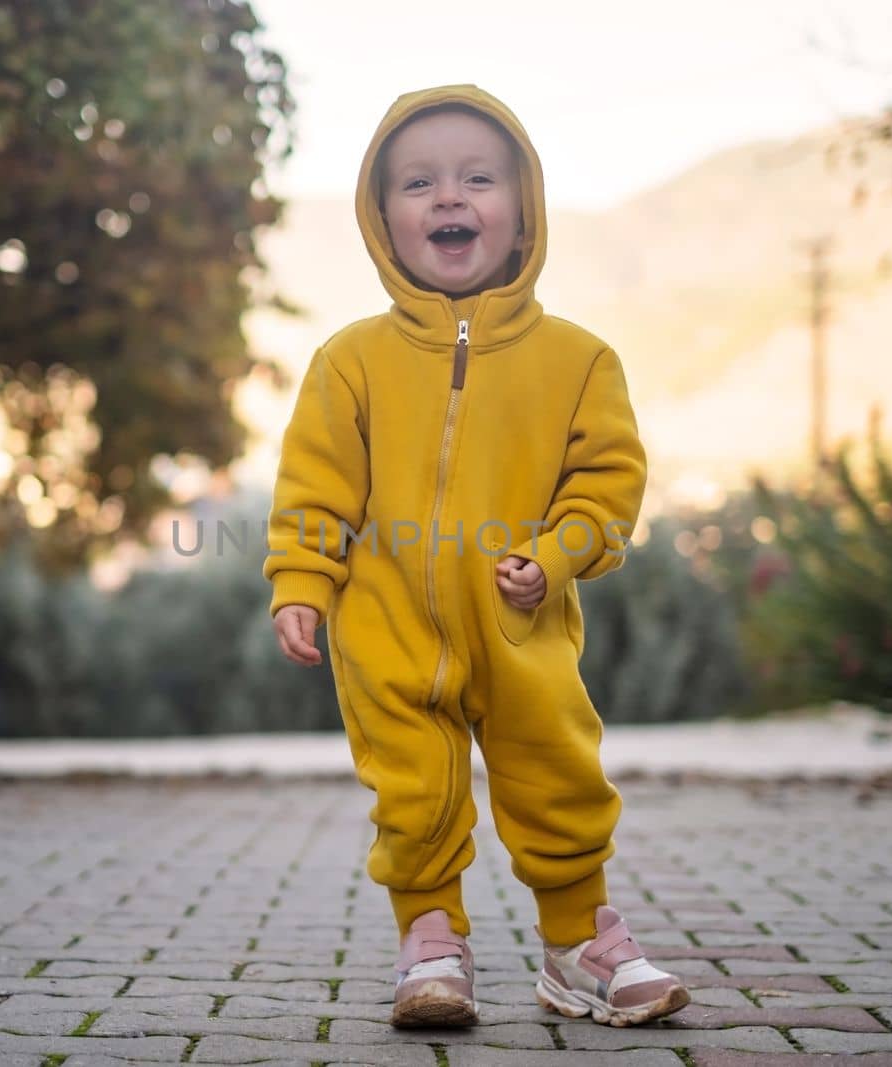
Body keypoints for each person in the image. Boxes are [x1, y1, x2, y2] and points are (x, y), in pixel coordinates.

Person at [262, 85, 690, 1029]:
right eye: (418, 182)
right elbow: (315, 488)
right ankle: (431, 942)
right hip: (386, 630)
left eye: (477, 178)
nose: (449, 198)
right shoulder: (350, 361)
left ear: (522, 209)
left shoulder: (579, 360)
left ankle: (579, 943)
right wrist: (302, 581)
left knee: (557, 777)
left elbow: (607, 486)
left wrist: (559, 552)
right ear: (383, 220)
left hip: (523, 625)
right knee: (412, 795)